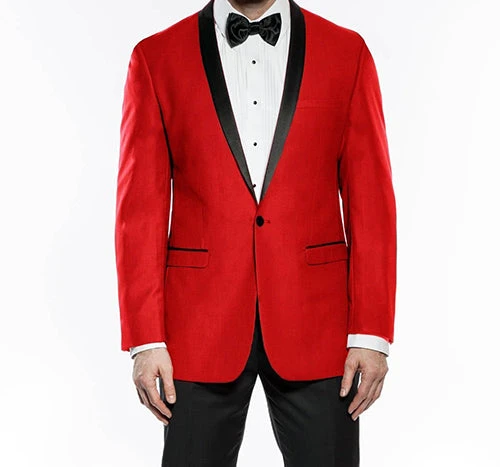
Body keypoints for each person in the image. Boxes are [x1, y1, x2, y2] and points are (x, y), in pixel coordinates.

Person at [114, 0, 397, 465]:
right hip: (198, 328)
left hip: (319, 327)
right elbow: (138, 212)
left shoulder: (347, 53)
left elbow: (372, 204)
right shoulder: (156, 57)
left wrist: (371, 333)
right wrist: (146, 340)